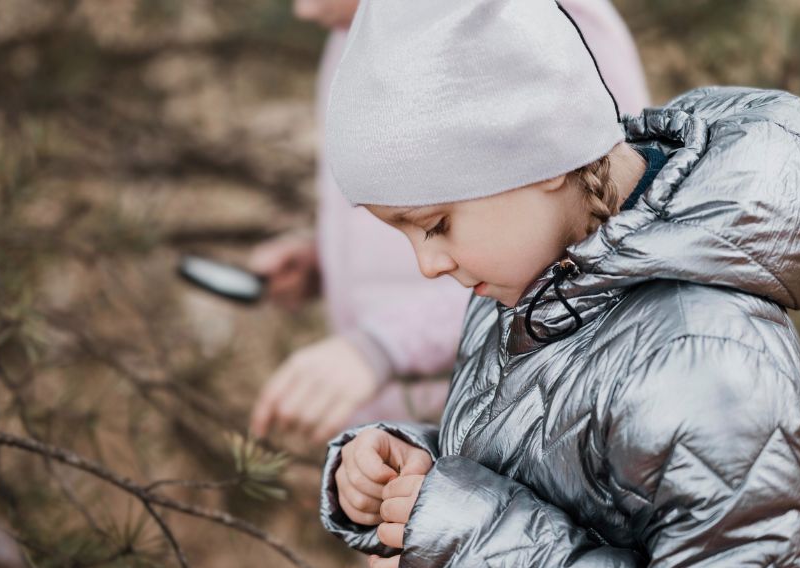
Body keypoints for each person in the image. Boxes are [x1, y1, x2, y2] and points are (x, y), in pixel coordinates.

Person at [318, 0, 800, 568]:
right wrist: (418, 470)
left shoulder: (705, 357)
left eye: (436, 225)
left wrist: (470, 537)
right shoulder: (529, 288)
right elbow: (549, 470)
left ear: (540, 157)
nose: (428, 266)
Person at [248, 0, 650, 447]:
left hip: (516, 422)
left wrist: (387, 345)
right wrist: (326, 258)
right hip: (428, 446)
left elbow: (599, 217)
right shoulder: (353, 36)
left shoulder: (527, 19)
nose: (301, 12)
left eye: (437, 227)